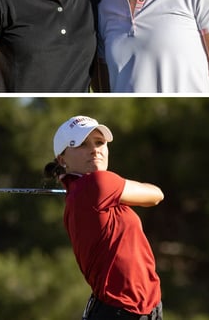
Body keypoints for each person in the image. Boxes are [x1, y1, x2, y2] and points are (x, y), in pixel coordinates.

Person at [45, 115, 164, 319]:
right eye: (82, 144)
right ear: (62, 159)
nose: (95, 150)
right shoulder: (97, 184)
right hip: (121, 312)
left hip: (144, 309)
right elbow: (156, 194)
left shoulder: (81, 191)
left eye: (99, 142)